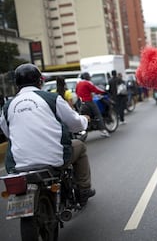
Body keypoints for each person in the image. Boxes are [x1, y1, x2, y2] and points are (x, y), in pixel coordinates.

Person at [0, 64, 95, 206]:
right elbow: (75, 123)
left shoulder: (7, 106)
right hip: (53, 160)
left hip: (18, 165)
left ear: (17, 84)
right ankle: (84, 190)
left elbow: (8, 132)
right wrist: (85, 120)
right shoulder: (51, 98)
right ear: (40, 81)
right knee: (80, 146)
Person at [76, 72, 110, 137]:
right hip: (88, 102)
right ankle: (103, 131)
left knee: (82, 117)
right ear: (87, 77)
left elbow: (77, 92)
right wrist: (104, 92)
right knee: (98, 115)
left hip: (81, 103)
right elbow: (95, 90)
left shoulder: (78, 84)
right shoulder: (87, 83)